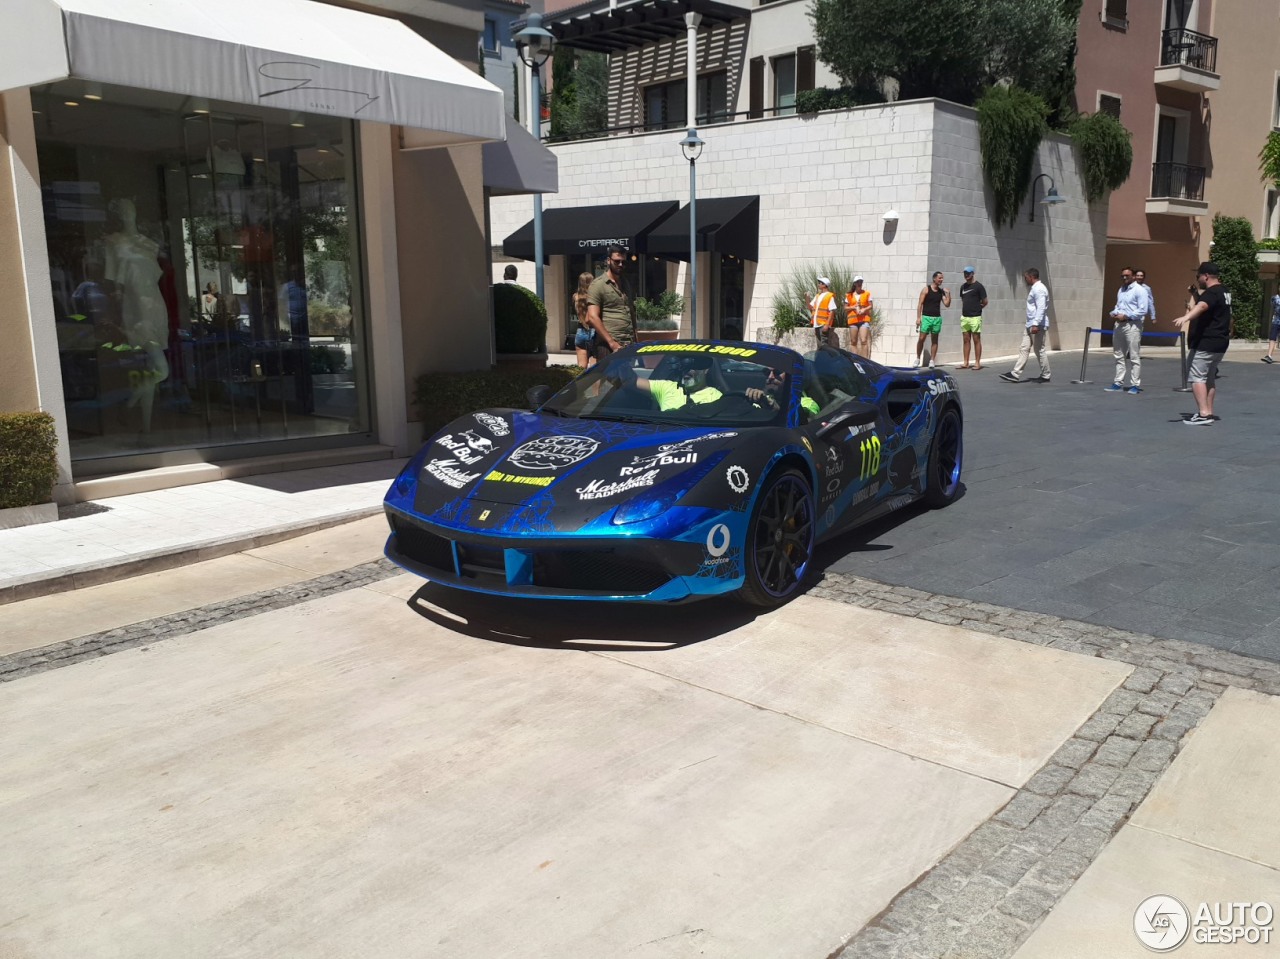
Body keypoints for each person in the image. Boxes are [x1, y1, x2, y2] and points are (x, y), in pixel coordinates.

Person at [1172, 261, 1233, 425]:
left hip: (1207, 342)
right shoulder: (1224, 292)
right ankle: (1209, 411)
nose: (1197, 278)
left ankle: (1203, 414)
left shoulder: (1211, 293)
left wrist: (1186, 317)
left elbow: (1203, 306)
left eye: (1198, 275)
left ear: (1206, 276)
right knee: (1209, 378)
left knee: (1197, 377)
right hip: (1220, 341)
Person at [1000, 268, 1052, 383]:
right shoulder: (1035, 288)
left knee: (1039, 350)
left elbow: (1041, 307)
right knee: (1024, 348)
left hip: (1037, 325)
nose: (1025, 280)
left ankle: (1046, 374)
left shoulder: (1039, 289)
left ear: (1031, 277)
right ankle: (1015, 374)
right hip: (1030, 324)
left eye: (1026, 277)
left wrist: (1035, 324)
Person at [585, 247, 635, 362]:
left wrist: (636, 340)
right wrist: (612, 343)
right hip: (608, 345)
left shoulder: (626, 283)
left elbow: (631, 312)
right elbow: (592, 317)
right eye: (617, 261)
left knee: (627, 379)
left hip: (628, 343)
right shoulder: (598, 285)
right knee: (609, 379)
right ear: (608, 260)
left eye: (623, 261)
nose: (620, 264)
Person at [624, 356, 723, 411]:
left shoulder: (715, 396)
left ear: (705, 370)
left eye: (692, 366)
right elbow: (629, 381)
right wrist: (621, 358)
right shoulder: (667, 387)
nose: (686, 371)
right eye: (684, 366)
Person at [1105, 267, 1147, 394]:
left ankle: (1135, 384)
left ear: (1133, 276)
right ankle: (1118, 382)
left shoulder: (1140, 290)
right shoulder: (1121, 289)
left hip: (1132, 325)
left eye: (1127, 275)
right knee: (1118, 355)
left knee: (1134, 355)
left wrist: (1127, 316)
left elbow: (1143, 309)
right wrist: (1114, 313)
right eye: (1122, 276)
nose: (1124, 278)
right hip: (1119, 325)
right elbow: (1118, 306)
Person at [744, 365, 820, 416]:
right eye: (767, 373)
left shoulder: (807, 404)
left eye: (777, 372)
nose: (770, 377)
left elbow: (806, 419)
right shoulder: (759, 399)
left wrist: (774, 408)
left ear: (791, 376)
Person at [916, 271, 950, 368]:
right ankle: (918, 358)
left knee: (934, 340)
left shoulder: (941, 292)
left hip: (937, 318)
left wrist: (948, 294)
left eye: (942, 278)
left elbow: (947, 304)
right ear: (934, 278)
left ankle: (932, 360)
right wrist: (919, 318)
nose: (941, 280)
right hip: (926, 317)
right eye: (940, 278)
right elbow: (920, 304)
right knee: (921, 338)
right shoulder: (926, 290)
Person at [958, 267, 987, 370]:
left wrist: (978, 308)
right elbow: (963, 300)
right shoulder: (963, 287)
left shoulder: (979, 286)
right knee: (966, 340)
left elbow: (985, 301)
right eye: (965, 273)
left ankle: (977, 363)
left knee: (976, 340)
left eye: (968, 273)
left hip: (975, 317)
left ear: (973, 274)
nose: (966, 275)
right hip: (965, 317)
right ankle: (966, 362)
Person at [571, 272, 596, 369]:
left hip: (581, 331)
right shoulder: (595, 297)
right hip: (594, 331)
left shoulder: (575, 297)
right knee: (596, 371)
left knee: (581, 370)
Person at [845, 276, 873, 358]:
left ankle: (864, 360)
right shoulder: (849, 295)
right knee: (853, 341)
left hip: (864, 320)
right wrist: (853, 307)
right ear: (854, 284)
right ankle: (855, 360)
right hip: (853, 320)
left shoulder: (867, 293)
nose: (859, 283)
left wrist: (864, 309)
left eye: (861, 282)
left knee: (864, 340)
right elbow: (845, 307)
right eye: (858, 282)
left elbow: (871, 306)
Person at [810, 276, 839, 348]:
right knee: (819, 346)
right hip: (817, 324)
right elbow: (810, 307)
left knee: (824, 345)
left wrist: (827, 325)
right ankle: (821, 359)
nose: (818, 284)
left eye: (820, 283)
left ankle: (826, 358)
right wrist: (807, 298)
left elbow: (832, 311)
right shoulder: (817, 296)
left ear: (824, 285)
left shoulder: (829, 296)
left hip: (823, 324)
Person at [1263, 290, 1280, 364]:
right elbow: (1275, 308)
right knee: (1272, 338)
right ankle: (1269, 355)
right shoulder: (1274, 298)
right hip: (1276, 321)